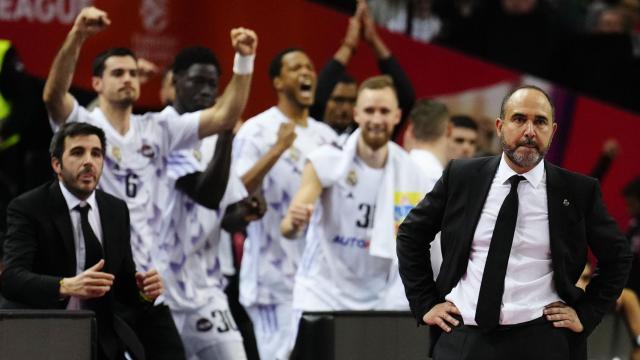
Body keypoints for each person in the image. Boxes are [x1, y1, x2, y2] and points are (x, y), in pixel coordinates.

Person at [42, 7, 258, 359]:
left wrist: (244, 61)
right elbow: (53, 97)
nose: (127, 78)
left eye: (131, 72)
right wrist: (77, 35)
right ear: (97, 83)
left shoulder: (158, 128)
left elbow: (224, 116)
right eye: (117, 73)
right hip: (97, 281)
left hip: (146, 284)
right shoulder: (85, 128)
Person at [397, 85, 632, 359]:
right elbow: (411, 234)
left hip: (543, 339)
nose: (530, 131)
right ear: (500, 126)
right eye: (519, 119)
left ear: (553, 132)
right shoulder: (462, 176)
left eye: (540, 122)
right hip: (463, 336)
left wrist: (587, 313)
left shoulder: (578, 191)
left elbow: (618, 256)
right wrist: (425, 302)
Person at [1, 122, 161, 360]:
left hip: (100, 336)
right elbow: (12, 278)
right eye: (78, 152)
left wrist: (144, 293)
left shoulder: (116, 210)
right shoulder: (28, 208)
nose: (89, 161)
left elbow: (123, 290)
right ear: (57, 164)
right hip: (44, 334)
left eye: (96, 154)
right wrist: (65, 286)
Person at [281, 74, 429, 317]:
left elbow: (422, 242)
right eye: (369, 111)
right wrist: (295, 222)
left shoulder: (412, 172)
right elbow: (288, 228)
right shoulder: (326, 159)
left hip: (381, 296)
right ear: (356, 114)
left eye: (384, 111)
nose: (376, 119)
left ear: (397, 116)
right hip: (323, 293)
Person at [158, 46, 264, 360]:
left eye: (212, 84)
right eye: (197, 82)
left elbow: (226, 214)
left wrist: (246, 211)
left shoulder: (215, 138)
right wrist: (228, 133)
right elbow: (206, 195)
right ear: (175, 81)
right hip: (159, 287)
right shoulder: (162, 131)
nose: (206, 90)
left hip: (206, 288)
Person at [232, 47, 336, 360]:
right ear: (278, 81)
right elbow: (236, 193)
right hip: (270, 278)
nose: (306, 72)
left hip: (318, 280)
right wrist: (277, 149)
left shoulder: (328, 137)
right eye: (296, 68)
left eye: (309, 67)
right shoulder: (257, 130)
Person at [310, 0, 416, 142]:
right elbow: (315, 95)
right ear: (325, 100)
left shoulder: (368, 136)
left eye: (352, 101)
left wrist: (373, 40)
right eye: (339, 100)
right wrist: (349, 45)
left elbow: (406, 96)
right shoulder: (311, 128)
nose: (345, 108)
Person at [402, 99, 451, 278]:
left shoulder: (395, 172)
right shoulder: (448, 185)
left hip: (385, 292)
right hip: (429, 292)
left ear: (410, 131)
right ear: (449, 130)